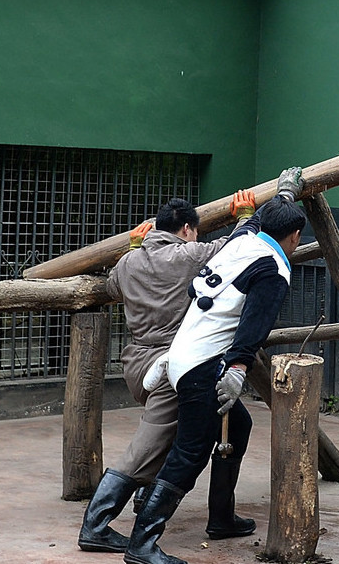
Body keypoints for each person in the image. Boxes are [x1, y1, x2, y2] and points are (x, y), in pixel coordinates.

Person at [123, 186, 307, 564]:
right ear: (295, 238)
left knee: (236, 426)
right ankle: (141, 543)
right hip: (202, 366)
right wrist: (239, 366)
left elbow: (253, 222)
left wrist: (285, 193)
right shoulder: (273, 268)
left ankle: (221, 517)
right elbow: (255, 324)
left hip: (179, 356)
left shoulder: (241, 243)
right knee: (188, 454)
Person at [78, 191, 260, 553]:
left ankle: (221, 516)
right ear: (188, 229)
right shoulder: (189, 254)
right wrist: (246, 215)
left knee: (236, 423)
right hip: (173, 368)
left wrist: (131, 248)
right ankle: (96, 524)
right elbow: (235, 247)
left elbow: (113, 286)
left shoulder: (128, 263)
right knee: (148, 447)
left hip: (136, 363)